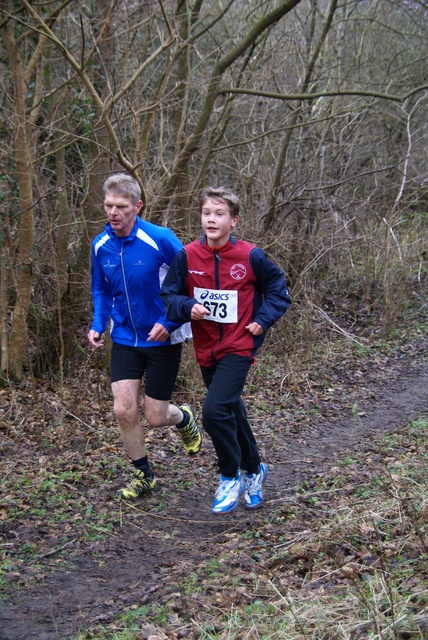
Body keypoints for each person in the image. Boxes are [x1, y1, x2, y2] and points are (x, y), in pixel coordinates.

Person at [161, 186, 291, 514]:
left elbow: (279, 291)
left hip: (239, 345)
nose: (211, 219)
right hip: (206, 348)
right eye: (206, 213)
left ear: (234, 220)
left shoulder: (250, 256)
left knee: (213, 412)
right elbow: (169, 295)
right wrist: (187, 305)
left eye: (219, 214)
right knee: (232, 410)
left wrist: (262, 320)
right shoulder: (187, 256)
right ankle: (256, 469)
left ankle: (230, 474)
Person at [87, 172, 202, 500]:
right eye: (108, 205)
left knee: (155, 415)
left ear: (138, 206)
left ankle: (183, 417)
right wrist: (98, 323)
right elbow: (101, 289)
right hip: (124, 337)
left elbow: (188, 283)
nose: (113, 212)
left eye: (121, 206)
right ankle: (144, 475)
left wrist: (169, 319)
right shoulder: (101, 246)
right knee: (123, 410)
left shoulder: (160, 238)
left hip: (163, 337)